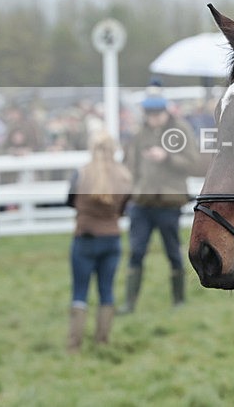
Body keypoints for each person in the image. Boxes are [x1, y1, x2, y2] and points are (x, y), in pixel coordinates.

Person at [118, 88, 198, 313]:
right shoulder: (139, 133)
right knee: (136, 251)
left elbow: (192, 162)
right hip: (142, 202)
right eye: (149, 114)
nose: (152, 118)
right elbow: (130, 165)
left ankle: (179, 300)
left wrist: (167, 157)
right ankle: (130, 303)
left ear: (164, 112)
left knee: (173, 252)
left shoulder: (180, 130)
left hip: (168, 203)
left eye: (156, 114)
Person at [65, 131, 132, 352]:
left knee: (80, 292)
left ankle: (74, 344)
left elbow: (69, 201)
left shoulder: (81, 174)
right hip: (111, 239)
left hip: (85, 238)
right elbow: (125, 208)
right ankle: (102, 341)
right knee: (107, 291)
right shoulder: (124, 176)